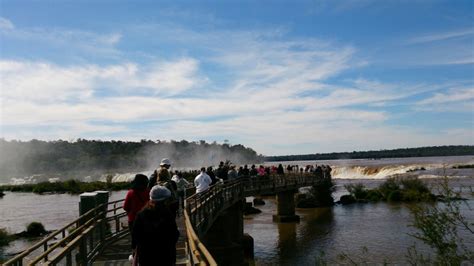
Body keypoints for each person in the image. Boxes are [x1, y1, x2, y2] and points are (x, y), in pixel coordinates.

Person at [132, 185, 179, 266]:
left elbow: (135, 234)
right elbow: (174, 235)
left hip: (146, 256)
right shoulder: (167, 214)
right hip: (166, 256)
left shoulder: (141, 214)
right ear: (164, 200)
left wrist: (135, 249)